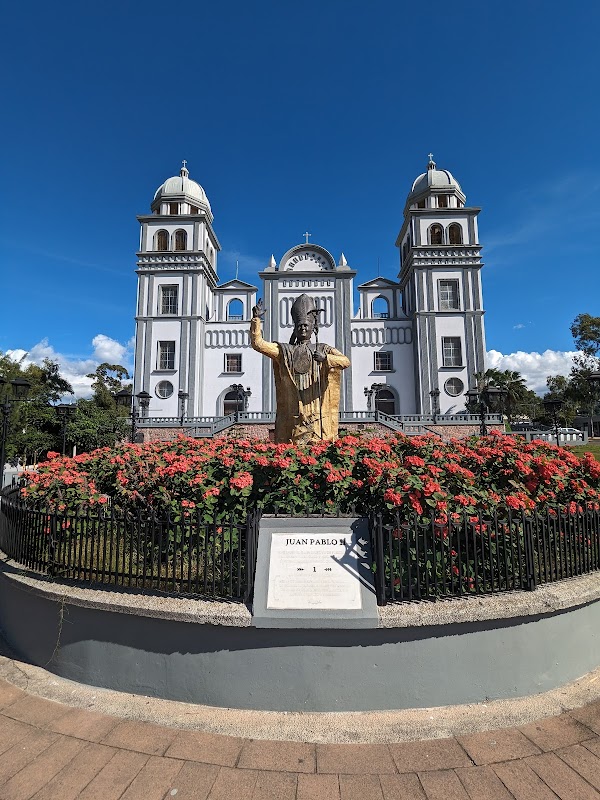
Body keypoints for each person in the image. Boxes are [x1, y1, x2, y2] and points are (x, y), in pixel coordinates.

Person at [251, 294, 350, 444]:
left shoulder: (323, 348)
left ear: (313, 327)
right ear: (295, 329)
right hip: (294, 410)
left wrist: (326, 359)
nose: (303, 328)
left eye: (306, 325)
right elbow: (258, 344)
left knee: (319, 445)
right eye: (300, 326)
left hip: (317, 409)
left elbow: (345, 361)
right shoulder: (285, 350)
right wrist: (256, 320)